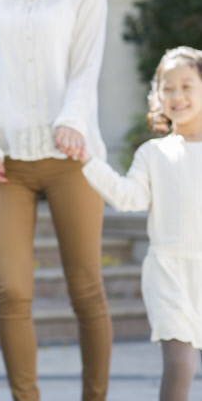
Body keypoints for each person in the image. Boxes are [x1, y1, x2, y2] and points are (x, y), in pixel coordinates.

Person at [0, 0, 112, 399]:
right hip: (8, 166)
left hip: (73, 159)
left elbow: (85, 69)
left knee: (86, 290)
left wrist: (71, 120)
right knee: (12, 292)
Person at [81, 46, 202, 401]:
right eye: (167, 88)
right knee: (180, 362)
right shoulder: (153, 153)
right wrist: (89, 161)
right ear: (157, 96)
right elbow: (127, 197)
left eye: (186, 86)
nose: (176, 95)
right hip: (166, 271)